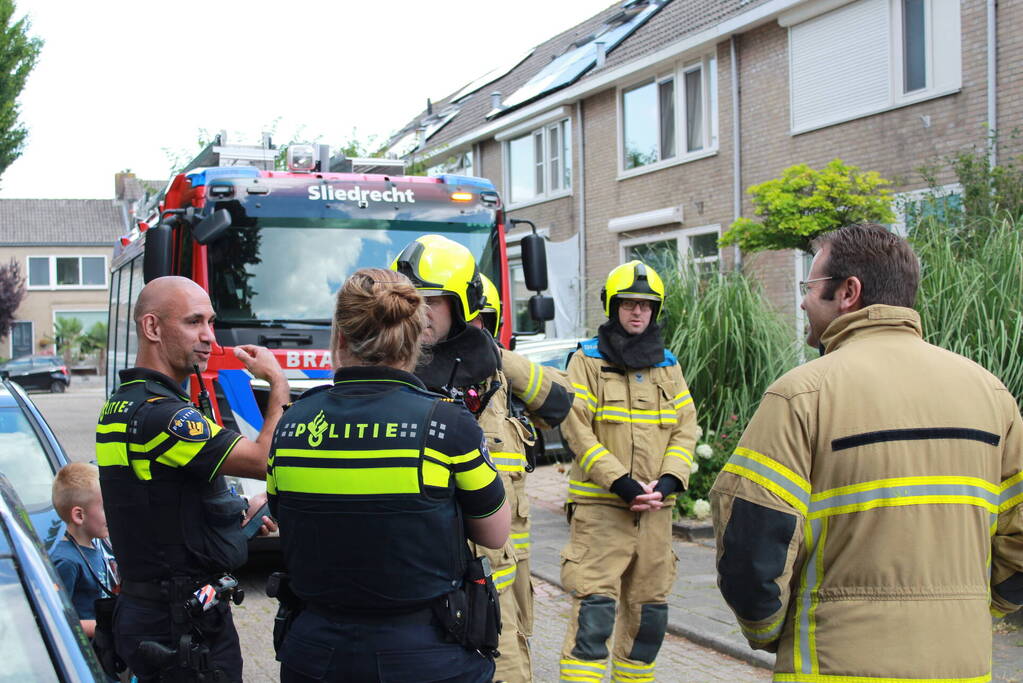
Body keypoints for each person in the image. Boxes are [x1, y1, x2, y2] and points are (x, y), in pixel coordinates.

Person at [710, 223, 1023, 681]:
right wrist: (975, 608)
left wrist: (768, 631)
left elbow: (751, 541)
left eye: (809, 287)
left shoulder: (801, 396)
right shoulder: (992, 396)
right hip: (963, 666)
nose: (802, 302)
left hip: (833, 665)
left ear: (848, 292)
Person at [270, 267, 510, 683]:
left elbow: (284, 515)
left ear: (340, 339)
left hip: (315, 655)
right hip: (427, 658)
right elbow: (495, 532)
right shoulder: (446, 425)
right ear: (415, 341)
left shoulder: (291, 425)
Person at [391, 236, 570, 682]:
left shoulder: (496, 379)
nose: (421, 313)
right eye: (412, 302)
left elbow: (560, 403)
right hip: (423, 598)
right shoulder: (391, 382)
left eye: (433, 301)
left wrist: (492, 354)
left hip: (499, 601)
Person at [97, 275, 287, 682]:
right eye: (193, 322)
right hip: (181, 625)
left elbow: (160, 503)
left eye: (211, 322)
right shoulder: (164, 416)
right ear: (152, 327)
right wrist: (277, 383)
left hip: (151, 611)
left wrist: (235, 516)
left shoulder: (123, 403)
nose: (209, 338)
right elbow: (263, 460)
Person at [558, 260, 698, 683]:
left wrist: (669, 481)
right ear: (613, 307)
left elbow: (686, 428)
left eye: (646, 305)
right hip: (602, 513)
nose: (638, 312)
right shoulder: (586, 361)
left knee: (649, 618)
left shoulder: (668, 365)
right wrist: (618, 482)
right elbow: (576, 429)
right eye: (629, 304)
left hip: (655, 515)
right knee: (594, 618)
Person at [473, 273, 574, 683]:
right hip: (466, 589)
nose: (473, 329)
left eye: (482, 320)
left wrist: (497, 357)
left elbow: (560, 402)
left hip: (510, 585)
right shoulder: (426, 385)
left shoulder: (506, 383)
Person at [50, 462, 114, 639]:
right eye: (105, 507)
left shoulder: (93, 547)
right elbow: (58, 619)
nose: (112, 513)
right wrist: (104, 627)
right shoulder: (66, 562)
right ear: (79, 515)